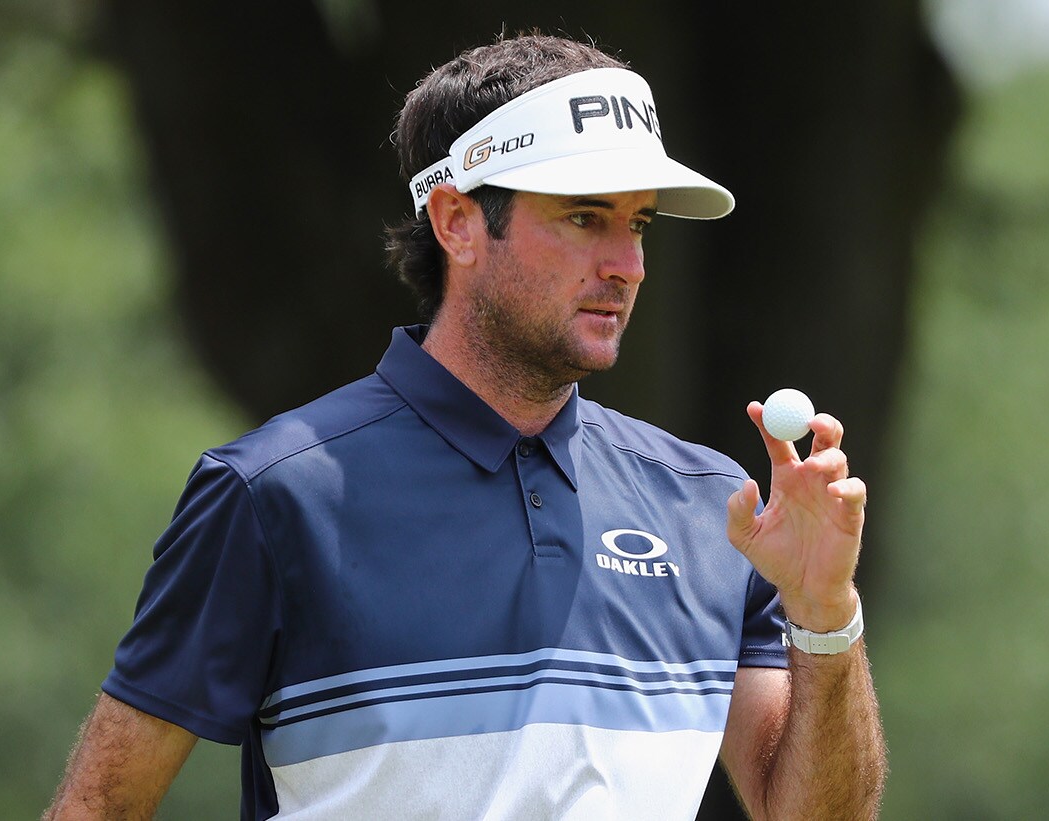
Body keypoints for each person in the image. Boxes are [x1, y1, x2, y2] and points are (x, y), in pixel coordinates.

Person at [45, 33, 886, 821]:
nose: (627, 265)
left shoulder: (713, 508)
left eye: (638, 224)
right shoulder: (274, 495)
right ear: (457, 223)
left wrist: (824, 612)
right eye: (585, 217)